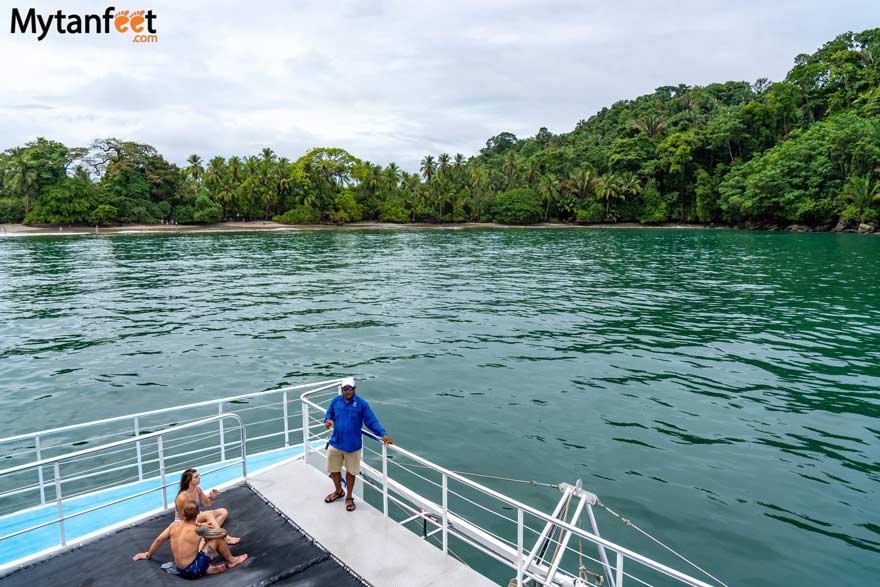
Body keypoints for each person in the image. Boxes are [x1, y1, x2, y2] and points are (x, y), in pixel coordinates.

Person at [323, 377, 393, 512]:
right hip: (335, 442)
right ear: (342, 389)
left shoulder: (362, 404)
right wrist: (327, 421)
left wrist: (382, 434)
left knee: (351, 472)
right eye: (345, 389)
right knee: (333, 469)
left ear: (354, 389)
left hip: (352, 446)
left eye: (350, 388)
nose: (347, 391)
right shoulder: (335, 401)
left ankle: (349, 497)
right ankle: (338, 491)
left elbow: (371, 421)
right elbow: (328, 415)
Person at [133, 501, 248, 579]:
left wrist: (148, 554)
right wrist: (208, 526)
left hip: (179, 569)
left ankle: (208, 568)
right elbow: (222, 534)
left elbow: (159, 540)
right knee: (216, 540)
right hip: (193, 571)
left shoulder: (173, 526)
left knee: (200, 546)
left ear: (183, 514)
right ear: (198, 513)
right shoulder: (198, 529)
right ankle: (232, 561)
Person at [175, 469, 240, 544]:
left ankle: (207, 535)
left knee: (223, 512)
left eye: (198, 475)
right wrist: (200, 524)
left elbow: (207, 503)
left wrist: (212, 497)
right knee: (207, 514)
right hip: (184, 523)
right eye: (196, 477)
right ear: (189, 480)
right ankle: (225, 537)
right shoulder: (182, 497)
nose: (199, 477)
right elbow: (183, 519)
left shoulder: (197, 489)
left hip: (196, 516)